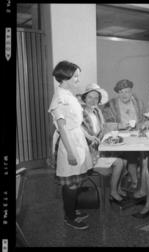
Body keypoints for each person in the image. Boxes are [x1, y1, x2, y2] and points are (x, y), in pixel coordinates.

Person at [48, 60, 92, 230]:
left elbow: (77, 121)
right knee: (71, 182)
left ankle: (72, 208)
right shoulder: (59, 98)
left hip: (77, 138)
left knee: (77, 179)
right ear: (65, 78)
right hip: (68, 142)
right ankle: (69, 216)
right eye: (75, 77)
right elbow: (62, 128)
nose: (78, 80)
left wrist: (88, 135)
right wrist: (71, 152)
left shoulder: (68, 93)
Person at [80, 83, 126, 202]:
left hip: (99, 151)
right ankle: (113, 192)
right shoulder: (80, 113)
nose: (93, 100)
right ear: (84, 98)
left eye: (96, 98)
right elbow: (82, 136)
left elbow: (104, 127)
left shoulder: (96, 112)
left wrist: (120, 126)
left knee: (125, 160)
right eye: (90, 97)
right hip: (88, 156)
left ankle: (118, 187)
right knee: (120, 162)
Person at [102, 79, 149, 190]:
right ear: (117, 93)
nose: (124, 94)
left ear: (131, 92)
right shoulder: (110, 105)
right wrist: (120, 126)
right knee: (130, 155)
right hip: (117, 138)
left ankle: (136, 180)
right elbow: (106, 125)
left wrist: (145, 123)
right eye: (121, 92)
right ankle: (134, 180)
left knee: (144, 155)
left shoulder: (138, 103)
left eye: (127, 91)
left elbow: (144, 119)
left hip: (135, 136)